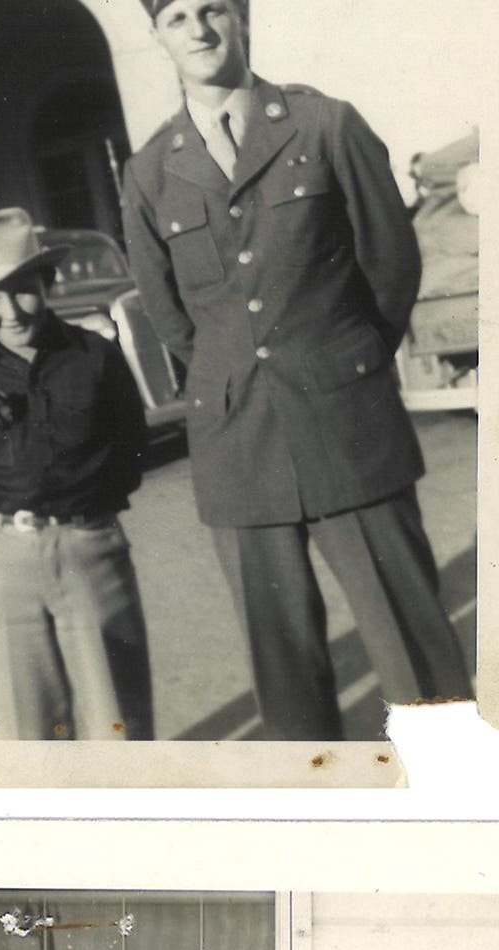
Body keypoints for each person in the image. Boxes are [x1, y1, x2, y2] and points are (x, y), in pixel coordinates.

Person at [120, 0, 470, 739]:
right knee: (285, 674)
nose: (199, 30)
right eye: (178, 16)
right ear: (157, 36)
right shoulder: (152, 170)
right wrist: (233, 378)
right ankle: (317, 819)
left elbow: (390, 263)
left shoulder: (325, 125)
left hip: (349, 422)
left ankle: (452, 807)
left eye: (213, 9)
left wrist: (347, 364)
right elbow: (170, 315)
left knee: (414, 650)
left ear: (241, 17)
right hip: (237, 442)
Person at [0, 207, 152, 741]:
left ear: (47, 280)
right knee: (24, 731)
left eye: (22, 289)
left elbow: (130, 448)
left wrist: (86, 514)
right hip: (3, 558)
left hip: (89, 545)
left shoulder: (96, 357)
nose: (10, 311)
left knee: (118, 721)